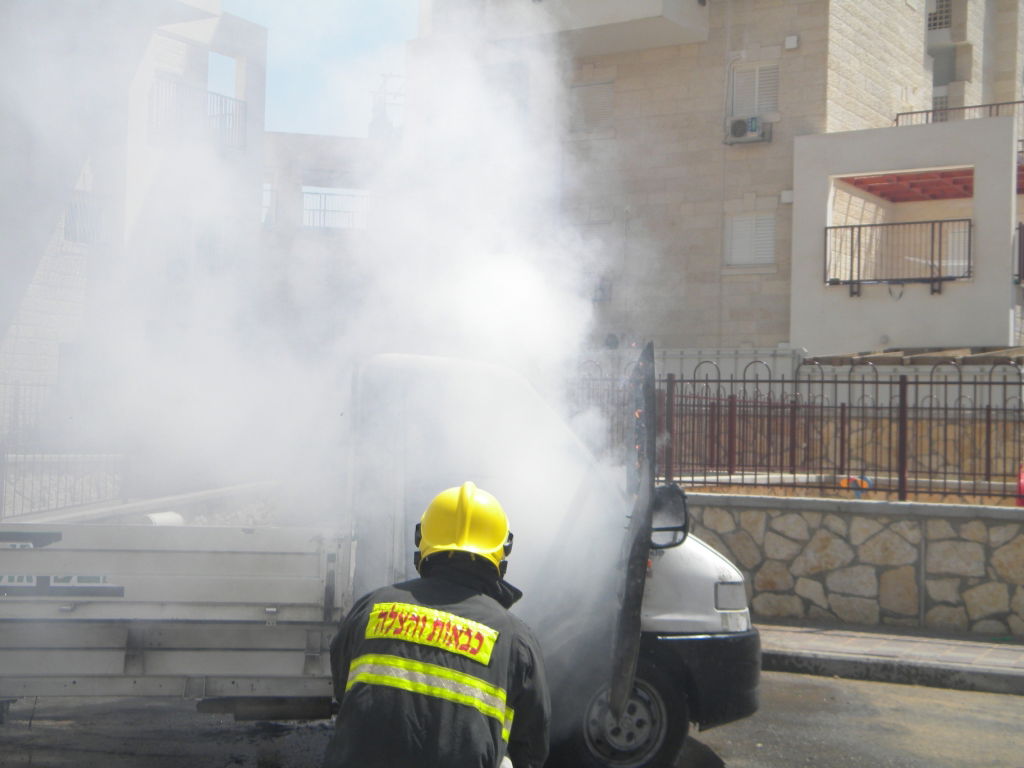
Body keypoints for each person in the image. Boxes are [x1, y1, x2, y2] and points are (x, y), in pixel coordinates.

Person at [322, 481, 551, 768]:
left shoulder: (372, 607)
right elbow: (531, 746)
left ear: (423, 540)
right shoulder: (515, 638)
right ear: (501, 553)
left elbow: (343, 687)